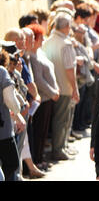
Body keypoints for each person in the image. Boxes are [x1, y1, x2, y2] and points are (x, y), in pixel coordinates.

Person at [41, 13, 80, 161]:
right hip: (64, 87)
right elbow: (69, 68)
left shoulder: (49, 41)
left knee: (59, 119)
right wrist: (74, 88)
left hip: (52, 86)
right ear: (66, 27)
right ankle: (59, 149)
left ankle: (61, 147)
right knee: (62, 120)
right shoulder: (66, 43)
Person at [27, 24, 60, 171]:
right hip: (44, 98)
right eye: (40, 37)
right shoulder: (32, 57)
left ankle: (40, 157)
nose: (42, 40)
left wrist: (55, 89)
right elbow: (39, 80)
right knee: (39, 131)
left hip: (49, 97)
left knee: (44, 131)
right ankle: (37, 159)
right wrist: (53, 92)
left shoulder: (40, 52)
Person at [0, 43, 25, 181]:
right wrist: (17, 112)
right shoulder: (1, 72)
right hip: (2, 131)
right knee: (11, 164)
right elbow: (10, 99)